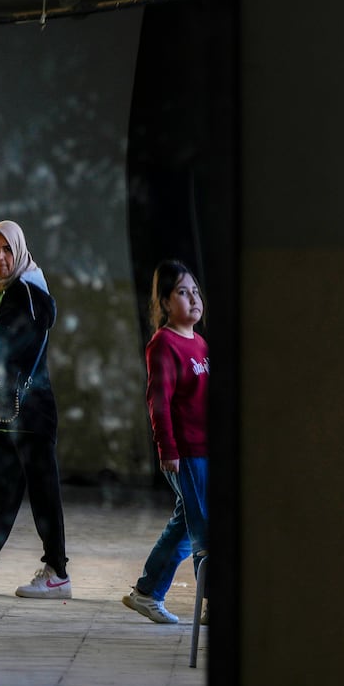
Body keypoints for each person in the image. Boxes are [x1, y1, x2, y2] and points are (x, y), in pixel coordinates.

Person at [0, 219, 71, 599]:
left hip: (30, 409)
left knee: (42, 492)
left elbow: (5, 348)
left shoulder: (29, 293)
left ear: (20, 251)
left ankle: (58, 571)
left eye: (7, 249)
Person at [123, 259, 211, 625]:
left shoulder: (201, 342)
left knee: (185, 525)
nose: (192, 298)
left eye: (194, 291)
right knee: (205, 528)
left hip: (206, 450)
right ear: (163, 302)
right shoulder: (164, 344)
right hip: (186, 453)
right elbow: (158, 401)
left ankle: (146, 592)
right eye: (181, 292)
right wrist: (168, 449)